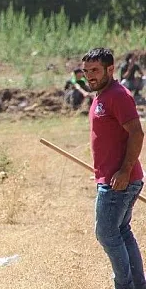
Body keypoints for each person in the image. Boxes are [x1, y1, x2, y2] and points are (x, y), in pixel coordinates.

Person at [82, 47, 145, 289]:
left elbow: (137, 133)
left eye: (95, 71)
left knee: (107, 234)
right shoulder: (102, 95)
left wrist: (124, 170)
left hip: (121, 181)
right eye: (87, 71)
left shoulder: (118, 95)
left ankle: (125, 285)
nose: (90, 76)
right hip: (112, 178)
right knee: (122, 231)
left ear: (111, 69)